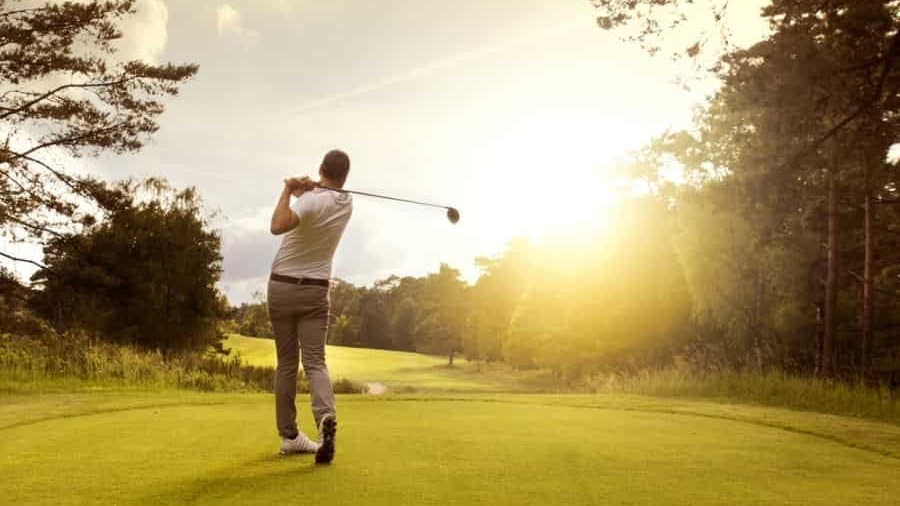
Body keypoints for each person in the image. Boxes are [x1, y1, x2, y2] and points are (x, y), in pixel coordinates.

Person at [268, 149, 353, 464]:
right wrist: (305, 191)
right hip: (316, 290)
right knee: (316, 362)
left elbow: (278, 225)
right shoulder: (346, 203)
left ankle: (289, 436)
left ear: (321, 168)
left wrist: (288, 189)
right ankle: (324, 417)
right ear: (345, 176)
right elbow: (319, 202)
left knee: (287, 363)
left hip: (282, 286)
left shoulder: (310, 200)